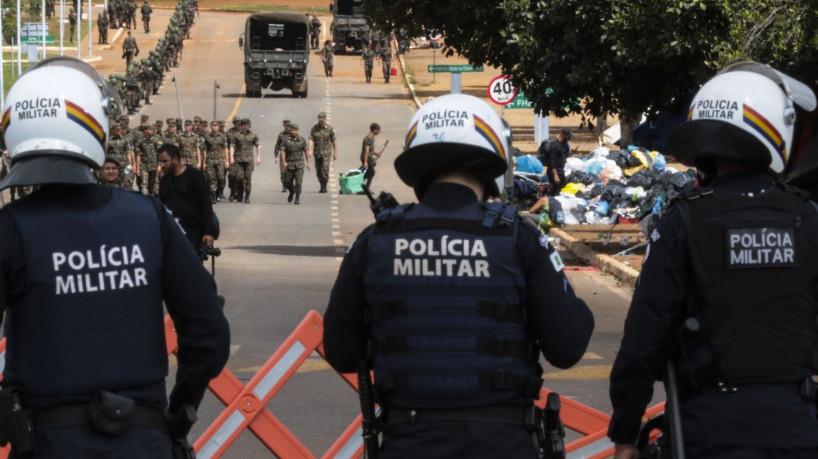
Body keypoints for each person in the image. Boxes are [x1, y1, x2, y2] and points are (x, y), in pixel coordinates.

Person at [323, 94, 594, 459]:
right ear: (490, 165)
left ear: (419, 167)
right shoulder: (520, 238)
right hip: (505, 444)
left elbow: (341, 351)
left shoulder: (376, 240)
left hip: (409, 441)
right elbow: (567, 346)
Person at [0, 56, 229, 458]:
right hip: (143, 437)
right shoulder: (150, 216)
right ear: (95, 125)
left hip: (46, 441)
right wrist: (179, 412)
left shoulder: (10, 228)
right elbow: (208, 331)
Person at [608, 62, 818, 459]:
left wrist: (624, 433)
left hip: (705, 433)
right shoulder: (808, 219)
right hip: (796, 430)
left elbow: (642, 341)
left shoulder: (683, 219)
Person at [158, 143, 217, 250]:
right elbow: (161, 207)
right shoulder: (165, 180)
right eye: (160, 162)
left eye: (165, 161)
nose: (161, 165)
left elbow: (206, 205)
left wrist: (209, 233)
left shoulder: (194, 176)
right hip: (172, 234)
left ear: (175, 159)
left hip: (193, 233)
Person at [228, 118, 261, 204]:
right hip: (238, 160)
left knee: (248, 178)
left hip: (249, 160)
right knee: (239, 178)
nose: (248, 126)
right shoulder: (236, 135)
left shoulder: (253, 135)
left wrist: (258, 157)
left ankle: (247, 195)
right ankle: (240, 192)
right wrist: (231, 157)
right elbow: (232, 146)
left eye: (249, 125)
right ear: (242, 126)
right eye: (246, 125)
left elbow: (258, 146)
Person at [280, 123, 309, 205]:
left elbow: (305, 151)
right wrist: (284, 162)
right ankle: (292, 192)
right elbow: (283, 151)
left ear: (297, 131)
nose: (292, 132)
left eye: (294, 130)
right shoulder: (286, 140)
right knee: (288, 182)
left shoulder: (302, 140)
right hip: (289, 164)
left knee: (299, 182)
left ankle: (297, 197)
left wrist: (308, 163)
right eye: (291, 130)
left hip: (299, 164)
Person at [537, 127, 572, 196]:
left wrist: (572, 152)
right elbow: (551, 161)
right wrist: (555, 176)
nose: (569, 138)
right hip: (553, 172)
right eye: (568, 136)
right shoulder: (554, 145)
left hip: (561, 170)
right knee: (554, 191)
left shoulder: (564, 144)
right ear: (564, 135)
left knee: (562, 187)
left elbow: (564, 155)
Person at [309, 112, 338, 193]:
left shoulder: (329, 128)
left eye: (322, 120)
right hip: (317, 152)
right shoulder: (314, 128)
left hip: (326, 152)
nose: (321, 122)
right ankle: (321, 184)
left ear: (325, 119)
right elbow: (311, 139)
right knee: (318, 169)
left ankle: (324, 185)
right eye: (319, 120)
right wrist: (309, 150)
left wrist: (335, 152)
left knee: (325, 168)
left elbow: (334, 141)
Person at [204, 120, 229, 203]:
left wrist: (227, 160)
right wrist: (204, 162)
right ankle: (213, 195)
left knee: (221, 178)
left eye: (216, 125)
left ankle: (219, 193)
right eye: (213, 125)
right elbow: (205, 150)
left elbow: (225, 149)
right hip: (210, 160)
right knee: (211, 178)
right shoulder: (207, 136)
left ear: (218, 127)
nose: (215, 127)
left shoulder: (222, 136)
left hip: (220, 160)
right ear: (211, 127)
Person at [136, 123, 162, 195]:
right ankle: (144, 201)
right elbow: (138, 155)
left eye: (153, 130)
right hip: (144, 166)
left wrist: (159, 165)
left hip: (154, 166)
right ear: (146, 131)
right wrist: (138, 167)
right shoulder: (140, 141)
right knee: (144, 184)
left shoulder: (156, 140)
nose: (152, 131)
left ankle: (152, 200)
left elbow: (160, 153)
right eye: (150, 130)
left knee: (152, 185)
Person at [360, 122, 385, 189]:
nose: (379, 132)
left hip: (369, 157)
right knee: (372, 172)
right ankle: (365, 187)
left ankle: (363, 187)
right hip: (367, 158)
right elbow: (366, 151)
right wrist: (365, 162)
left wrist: (375, 153)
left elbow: (370, 149)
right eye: (378, 130)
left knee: (368, 172)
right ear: (374, 130)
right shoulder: (369, 138)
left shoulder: (371, 137)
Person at [273, 119, 291, 193]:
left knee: (291, 171)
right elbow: (277, 145)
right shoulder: (281, 135)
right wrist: (276, 156)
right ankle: (284, 186)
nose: (288, 127)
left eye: (288, 126)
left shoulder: (293, 133)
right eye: (286, 126)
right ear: (283, 126)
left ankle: (290, 185)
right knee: (283, 171)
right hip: (283, 155)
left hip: (292, 155)